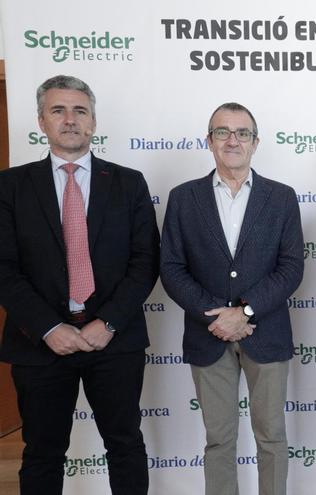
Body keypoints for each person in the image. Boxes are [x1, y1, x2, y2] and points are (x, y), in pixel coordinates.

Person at [0, 75, 160, 495]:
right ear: (41, 121)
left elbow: (145, 264)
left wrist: (106, 323)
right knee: (42, 453)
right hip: (39, 343)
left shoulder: (129, 183)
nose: (70, 120)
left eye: (80, 110)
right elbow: (4, 268)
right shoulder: (10, 186)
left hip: (114, 340)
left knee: (125, 445)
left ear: (93, 121)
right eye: (58, 110)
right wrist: (50, 328)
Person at [160, 102, 304, 495]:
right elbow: (172, 268)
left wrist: (245, 311)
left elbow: (291, 268)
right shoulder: (183, 198)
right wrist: (217, 317)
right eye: (222, 132)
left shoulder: (281, 197)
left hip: (266, 332)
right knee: (218, 440)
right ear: (209, 141)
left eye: (242, 133)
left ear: (256, 142)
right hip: (209, 336)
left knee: (271, 437)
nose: (232, 140)